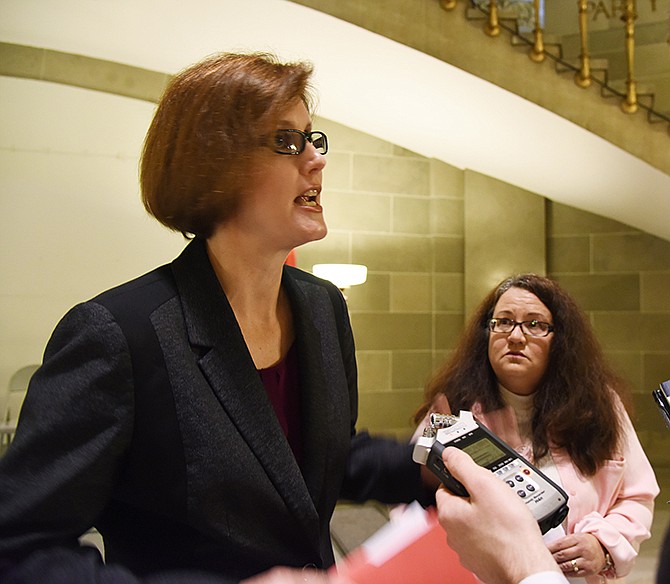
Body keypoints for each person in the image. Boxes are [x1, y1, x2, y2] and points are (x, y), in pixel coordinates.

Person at [0, 52, 431, 584]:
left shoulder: (323, 307)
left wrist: (433, 468)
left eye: (313, 140)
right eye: (287, 141)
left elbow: (317, 460)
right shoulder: (117, 335)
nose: (316, 160)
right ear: (214, 165)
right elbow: (19, 546)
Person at [414, 273, 659, 582]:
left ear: (560, 340)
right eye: (503, 321)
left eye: (534, 324)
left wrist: (603, 544)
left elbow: (637, 497)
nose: (516, 336)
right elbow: (411, 513)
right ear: (486, 333)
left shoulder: (599, 407)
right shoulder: (450, 412)